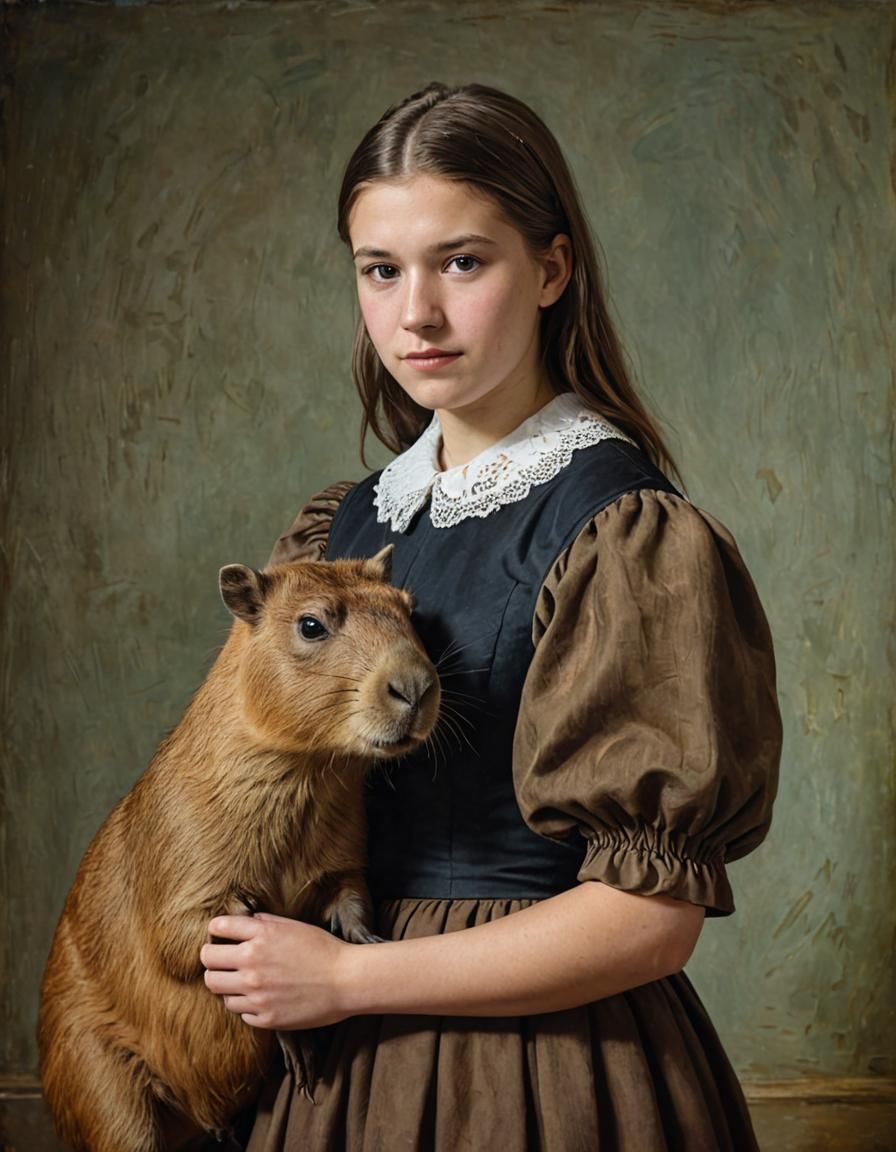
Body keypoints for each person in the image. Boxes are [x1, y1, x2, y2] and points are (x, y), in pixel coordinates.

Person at [200, 81, 781, 1151]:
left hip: (544, 1075)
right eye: (381, 270)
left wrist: (347, 977)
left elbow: (647, 921)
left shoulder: (624, 535)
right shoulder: (340, 533)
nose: (414, 313)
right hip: (328, 1076)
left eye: (461, 262)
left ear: (550, 269)